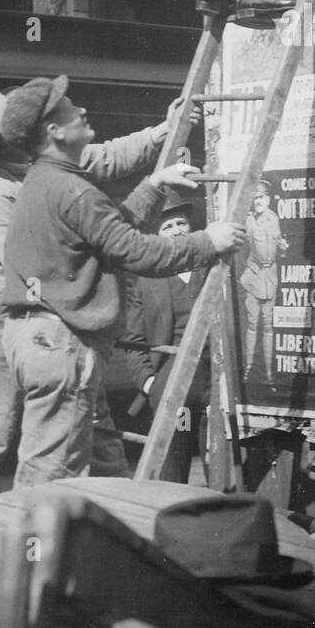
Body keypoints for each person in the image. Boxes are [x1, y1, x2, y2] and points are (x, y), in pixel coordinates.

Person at [0, 87, 191, 532]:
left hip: (50, 318)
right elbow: (37, 266)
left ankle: (121, 533)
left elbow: (103, 156)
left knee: (95, 431)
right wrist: (113, 234)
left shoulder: (44, 163)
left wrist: (161, 134)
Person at [0, 75, 246, 486]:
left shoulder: (47, 181)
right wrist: (208, 240)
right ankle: (32, 549)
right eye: (69, 109)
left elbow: (106, 237)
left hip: (49, 340)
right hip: (61, 345)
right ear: (54, 131)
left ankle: (107, 547)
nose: (81, 111)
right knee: (49, 475)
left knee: (106, 468)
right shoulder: (70, 189)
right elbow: (135, 251)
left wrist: (152, 185)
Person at [121, 189, 210, 484]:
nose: (176, 232)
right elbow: (133, 340)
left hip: (213, 376)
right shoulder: (145, 279)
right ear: (157, 235)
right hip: (170, 379)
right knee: (173, 463)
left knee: (216, 455)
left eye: (181, 224)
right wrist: (148, 382)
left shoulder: (212, 266)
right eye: (167, 227)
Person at [239, 179, 288, 389]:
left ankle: (269, 374)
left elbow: (277, 248)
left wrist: (283, 248)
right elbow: (240, 250)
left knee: (268, 325)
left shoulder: (273, 218)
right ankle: (249, 368)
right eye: (254, 198)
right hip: (253, 277)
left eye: (261, 197)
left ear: (268, 199)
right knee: (253, 322)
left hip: (270, 277)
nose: (257, 202)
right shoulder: (248, 221)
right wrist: (251, 266)